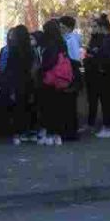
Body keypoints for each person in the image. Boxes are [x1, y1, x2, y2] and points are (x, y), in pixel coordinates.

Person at [85, 14, 110, 139]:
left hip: (107, 74)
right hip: (107, 73)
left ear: (102, 27)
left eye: (96, 26)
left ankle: (109, 127)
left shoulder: (109, 39)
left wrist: (95, 55)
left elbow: (107, 57)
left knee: (108, 101)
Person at [38, 19, 72, 147]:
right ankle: (57, 136)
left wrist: (42, 70)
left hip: (50, 79)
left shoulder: (49, 44)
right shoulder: (62, 42)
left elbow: (48, 62)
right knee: (58, 107)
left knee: (48, 107)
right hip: (61, 79)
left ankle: (49, 135)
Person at [0, 25, 35, 145]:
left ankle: (16, 134)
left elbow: (10, 68)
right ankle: (24, 131)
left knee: (15, 108)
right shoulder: (31, 50)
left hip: (15, 81)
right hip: (27, 81)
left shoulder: (13, 50)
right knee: (25, 107)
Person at [59, 16, 82, 140]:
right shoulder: (67, 39)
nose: (60, 29)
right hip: (70, 72)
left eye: (62, 27)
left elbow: (74, 58)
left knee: (70, 103)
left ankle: (71, 132)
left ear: (68, 28)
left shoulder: (71, 40)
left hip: (71, 73)